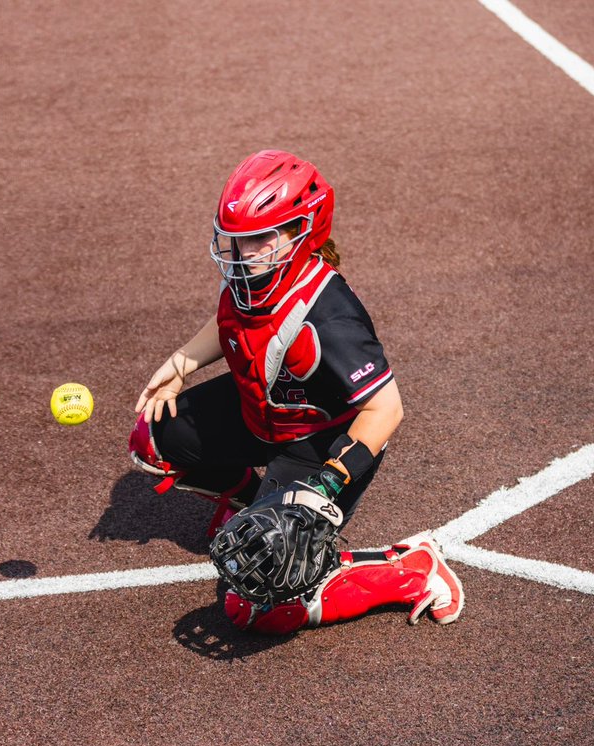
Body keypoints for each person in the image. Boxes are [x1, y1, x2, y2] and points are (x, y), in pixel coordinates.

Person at [128, 149, 463, 634]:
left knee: (258, 607)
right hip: (260, 413)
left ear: (303, 231)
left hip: (317, 445)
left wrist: (324, 487)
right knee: (152, 437)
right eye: (237, 241)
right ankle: (251, 504)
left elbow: (386, 409)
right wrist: (181, 362)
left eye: (259, 239)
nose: (243, 254)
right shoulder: (258, 275)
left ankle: (409, 570)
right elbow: (234, 321)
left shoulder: (331, 314)